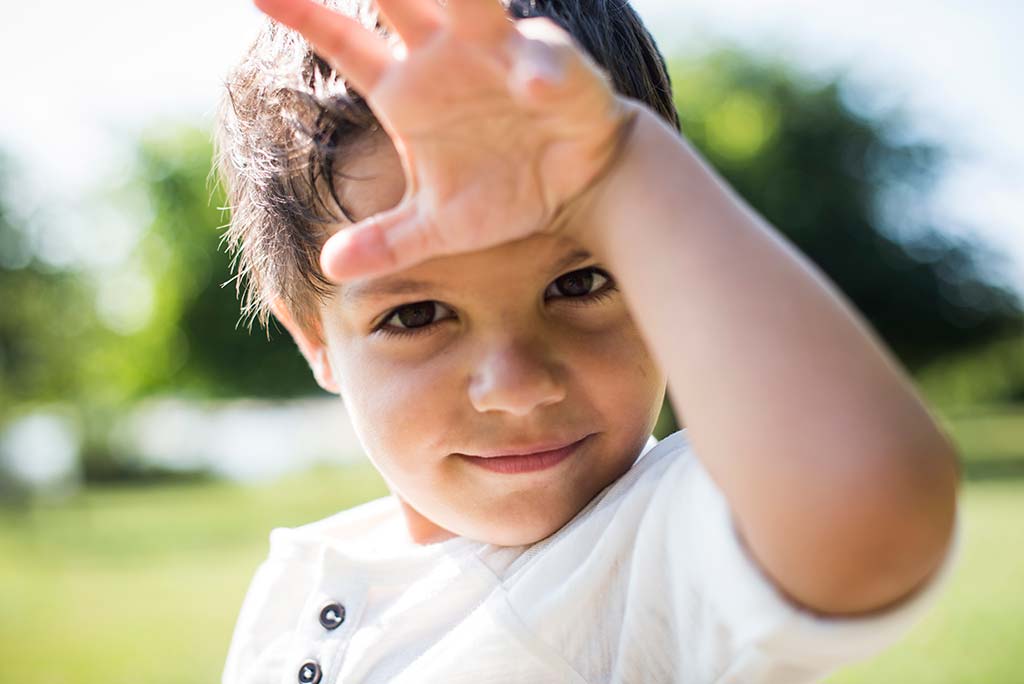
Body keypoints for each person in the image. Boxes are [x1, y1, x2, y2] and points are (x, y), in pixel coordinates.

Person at [214, 0, 963, 681]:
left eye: (578, 285)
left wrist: (623, 166)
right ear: (315, 339)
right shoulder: (293, 586)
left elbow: (872, 522)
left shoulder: (653, 547)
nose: (516, 385)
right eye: (415, 316)